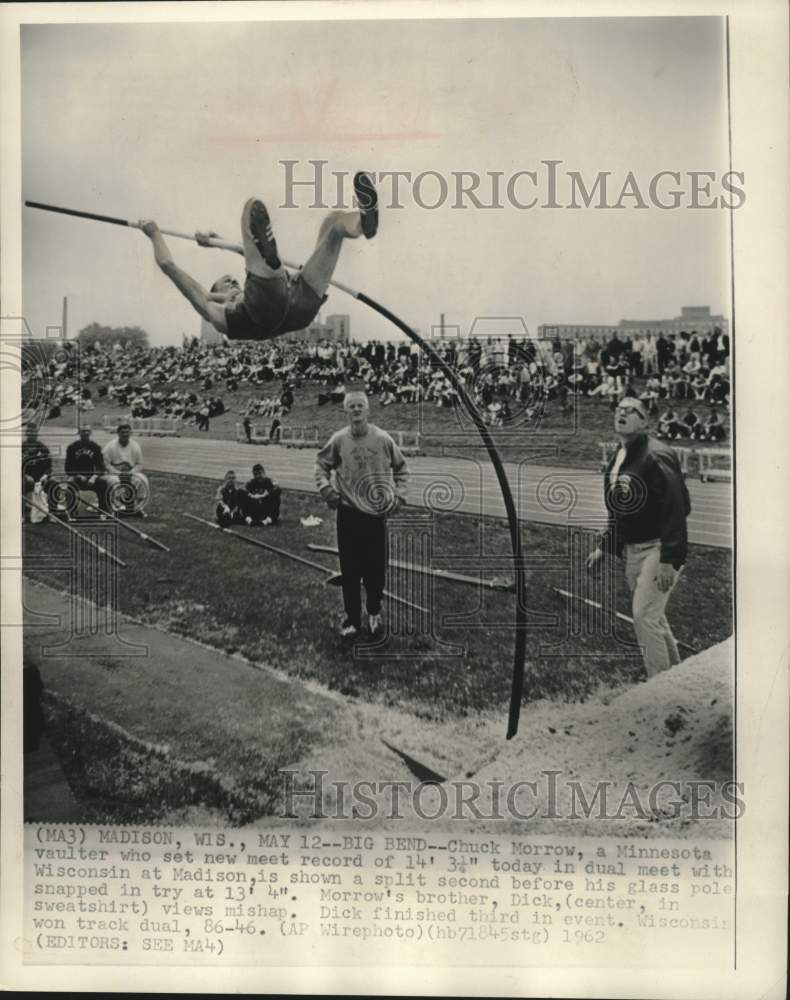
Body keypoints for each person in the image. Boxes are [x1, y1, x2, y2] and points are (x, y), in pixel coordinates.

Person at [140, 171, 378, 341]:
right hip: (266, 309)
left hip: (298, 306)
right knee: (250, 210)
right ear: (217, 291)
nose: (233, 282)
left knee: (333, 224)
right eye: (228, 282)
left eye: (232, 280)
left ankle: (360, 222)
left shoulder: (240, 298)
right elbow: (168, 265)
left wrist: (219, 242)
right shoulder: (212, 307)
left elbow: (253, 258)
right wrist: (154, 234)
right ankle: (273, 264)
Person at [586, 397, 691, 679]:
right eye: (619, 409)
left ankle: (660, 688)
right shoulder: (620, 455)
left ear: (645, 422)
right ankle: (678, 678)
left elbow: (678, 507)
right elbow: (618, 507)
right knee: (652, 616)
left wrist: (670, 558)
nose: (622, 413)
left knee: (644, 615)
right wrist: (606, 547)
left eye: (631, 410)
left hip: (658, 547)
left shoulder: (657, 456)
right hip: (633, 549)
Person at [314, 390, 409, 638]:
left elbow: (402, 469)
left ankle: (374, 612)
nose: (356, 410)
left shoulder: (383, 439)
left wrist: (400, 496)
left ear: (368, 410)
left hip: (376, 516)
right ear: (345, 411)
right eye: (351, 406)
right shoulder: (338, 440)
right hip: (349, 515)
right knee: (350, 571)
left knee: (376, 570)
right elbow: (321, 465)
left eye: (360, 406)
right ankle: (353, 619)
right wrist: (326, 489)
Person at [102, 422, 150, 513]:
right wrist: (117, 472)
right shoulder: (110, 446)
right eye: (123, 432)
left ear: (130, 433)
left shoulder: (135, 446)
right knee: (114, 481)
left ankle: (138, 506)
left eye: (127, 432)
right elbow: (105, 464)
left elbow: (140, 464)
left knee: (142, 479)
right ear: (118, 433)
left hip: (130, 472)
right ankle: (116, 506)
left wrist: (131, 472)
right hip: (114, 472)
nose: (125, 434)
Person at [64, 425, 108, 513]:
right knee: (70, 484)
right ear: (79, 433)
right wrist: (78, 475)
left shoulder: (96, 447)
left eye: (88, 431)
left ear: (91, 432)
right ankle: (71, 513)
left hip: (91, 478)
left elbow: (101, 466)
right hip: (77, 477)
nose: (86, 433)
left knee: (103, 483)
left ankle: (104, 512)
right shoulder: (72, 447)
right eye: (83, 431)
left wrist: (94, 477)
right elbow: (68, 468)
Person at [21, 420, 53, 520]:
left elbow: (49, 467)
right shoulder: (21, 447)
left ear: (37, 433)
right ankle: (21, 514)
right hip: (26, 478)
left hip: (40, 478)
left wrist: (45, 476)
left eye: (34, 432)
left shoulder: (43, 448)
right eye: (29, 432)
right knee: (23, 484)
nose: (32, 434)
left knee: (53, 483)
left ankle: (52, 513)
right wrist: (24, 475)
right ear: (26, 433)